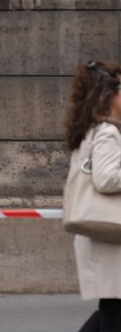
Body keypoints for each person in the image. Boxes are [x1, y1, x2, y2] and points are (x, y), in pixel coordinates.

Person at [65, 61, 121, 332]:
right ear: (109, 96)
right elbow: (107, 178)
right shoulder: (108, 132)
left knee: (112, 309)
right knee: (114, 312)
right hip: (110, 234)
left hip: (103, 233)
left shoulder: (90, 130)